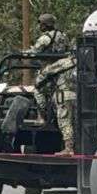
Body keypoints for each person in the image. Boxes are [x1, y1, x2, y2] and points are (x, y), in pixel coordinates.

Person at [29, 13, 77, 154]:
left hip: (62, 91)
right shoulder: (63, 37)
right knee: (73, 121)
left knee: (64, 120)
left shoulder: (45, 39)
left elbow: (34, 53)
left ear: (44, 24)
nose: (39, 26)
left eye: (40, 24)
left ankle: (42, 116)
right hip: (77, 92)